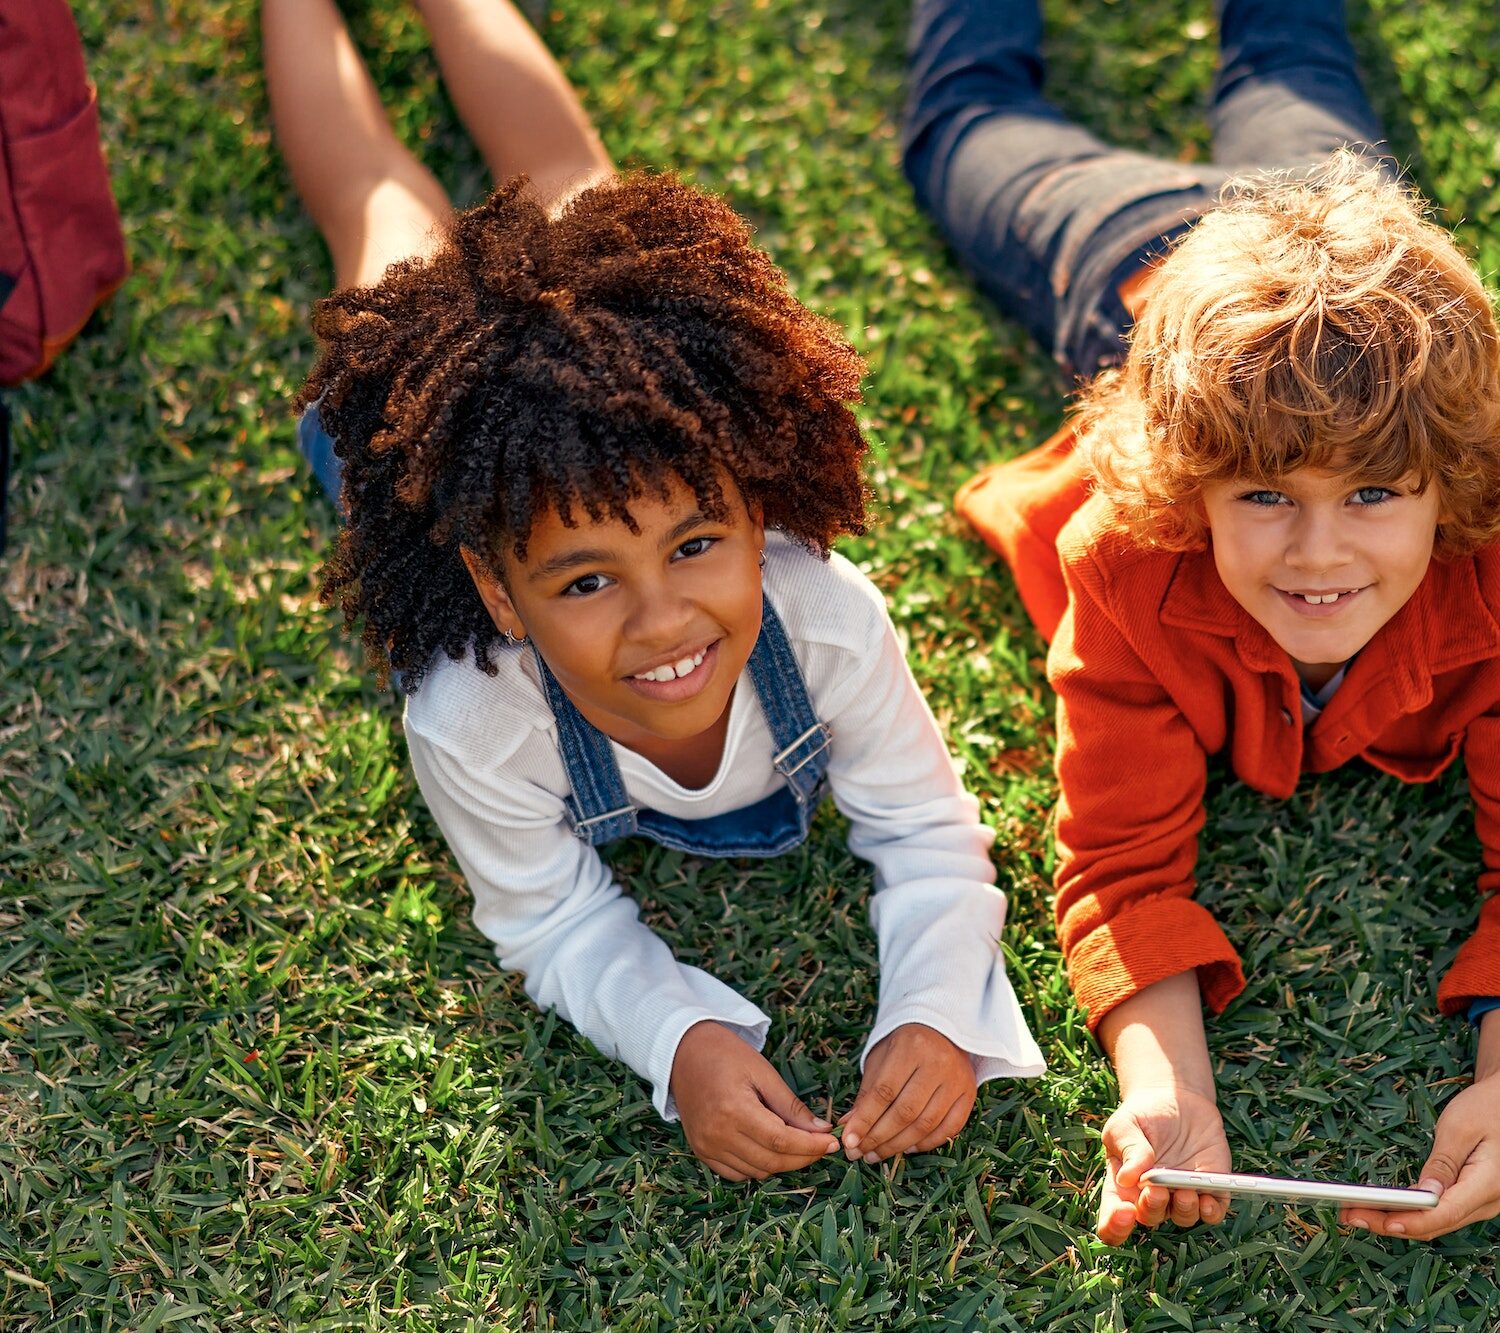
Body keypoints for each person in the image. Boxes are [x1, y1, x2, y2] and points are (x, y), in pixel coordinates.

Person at [262, 0, 1044, 1183]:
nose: (664, 620)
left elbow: (930, 833)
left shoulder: (823, 617)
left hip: (587, 383)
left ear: (754, 509)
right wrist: (679, 1042)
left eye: (695, 545)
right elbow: (546, 920)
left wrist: (935, 1008)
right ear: (502, 590)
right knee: (385, 225)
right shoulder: (471, 713)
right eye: (584, 579)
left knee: (578, 186)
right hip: (418, 453)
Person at [904, 0, 1500, 1243]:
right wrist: (1162, 1085)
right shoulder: (1129, 558)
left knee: (1293, 54)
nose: (1320, 551)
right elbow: (1119, 857)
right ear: (1191, 493)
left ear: (1453, 487)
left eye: (1376, 494)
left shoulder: (1490, 564)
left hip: (1329, 238)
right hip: (1138, 266)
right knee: (963, 121)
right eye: (1267, 498)